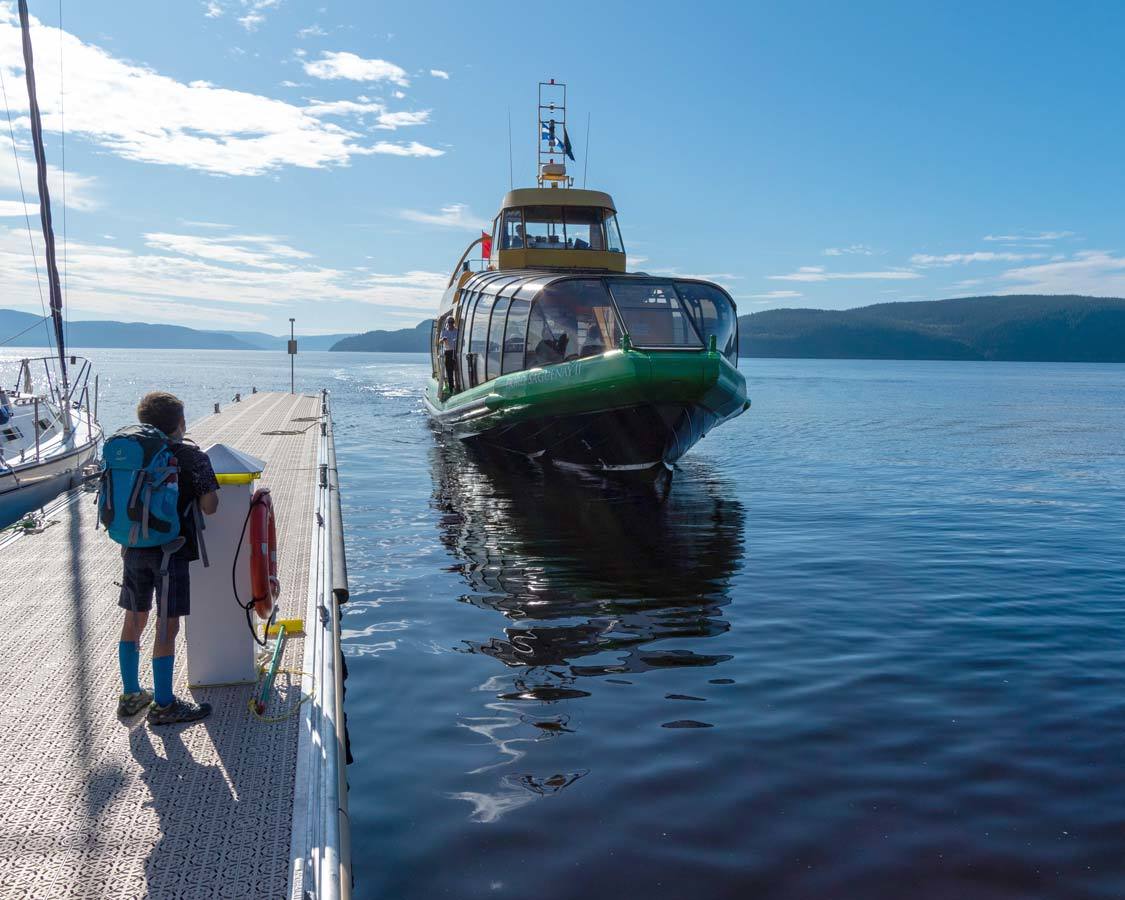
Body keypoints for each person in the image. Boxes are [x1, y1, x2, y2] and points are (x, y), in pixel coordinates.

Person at [117, 391, 219, 726]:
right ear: (180, 422)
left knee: (134, 617)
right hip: (172, 551)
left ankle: (132, 696)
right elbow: (210, 506)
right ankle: (163, 704)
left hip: (132, 547)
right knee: (167, 624)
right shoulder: (191, 456)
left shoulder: (131, 451)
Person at [439, 315, 459, 394]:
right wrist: (443, 339)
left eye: (452, 322)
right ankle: (451, 388)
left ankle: (457, 385)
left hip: (456, 351)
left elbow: (462, 340)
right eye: (449, 322)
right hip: (448, 352)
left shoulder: (457, 331)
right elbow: (439, 341)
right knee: (449, 371)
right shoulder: (444, 331)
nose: (451, 324)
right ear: (447, 323)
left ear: (454, 323)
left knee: (457, 369)